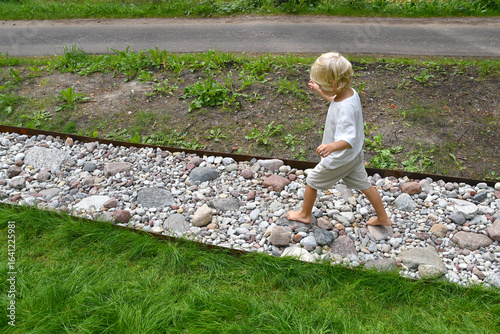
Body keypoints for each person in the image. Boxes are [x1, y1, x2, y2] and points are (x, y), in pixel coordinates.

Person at [287, 52, 392, 227]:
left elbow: (348, 139)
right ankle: (383, 218)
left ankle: (305, 214)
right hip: (354, 155)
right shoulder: (349, 93)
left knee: (312, 182)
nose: (321, 86)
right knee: (365, 185)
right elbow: (335, 100)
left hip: (340, 158)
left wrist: (331, 147)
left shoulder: (346, 110)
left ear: (334, 84)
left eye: (322, 84)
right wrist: (321, 91)